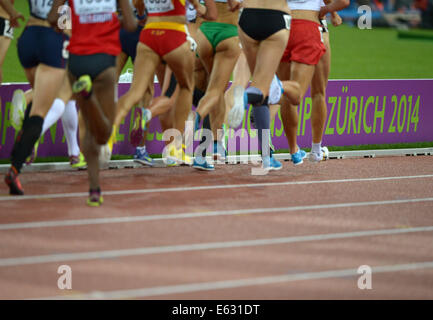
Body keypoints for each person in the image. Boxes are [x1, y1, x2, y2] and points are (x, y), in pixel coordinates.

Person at [48, 0, 137, 206]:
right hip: (104, 60)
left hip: (77, 61)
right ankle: (89, 96)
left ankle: (94, 188)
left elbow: (54, 20)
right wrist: (113, 20)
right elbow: (132, 26)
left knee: (88, 127)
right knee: (104, 133)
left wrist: (74, 22)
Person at [114, 0, 196, 166]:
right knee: (175, 91)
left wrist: (142, 15)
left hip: (136, 33)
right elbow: (208, 12)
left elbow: (136, 6)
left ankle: (106, 135)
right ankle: (166, 148)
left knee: (121, 88)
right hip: (173, 37)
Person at [4, 0, 70, 195]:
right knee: (42, 110)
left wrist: (13, 12)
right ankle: (15, 168)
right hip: (51, 39)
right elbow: (62, 17)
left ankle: (23, 140)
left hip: (28, 38)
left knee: (38, 101)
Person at [232, 0, 297, 171]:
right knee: (262, 88)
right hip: (276, 17)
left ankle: (267, 156)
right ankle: (243, 97)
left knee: (260, 90)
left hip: (247, 16)